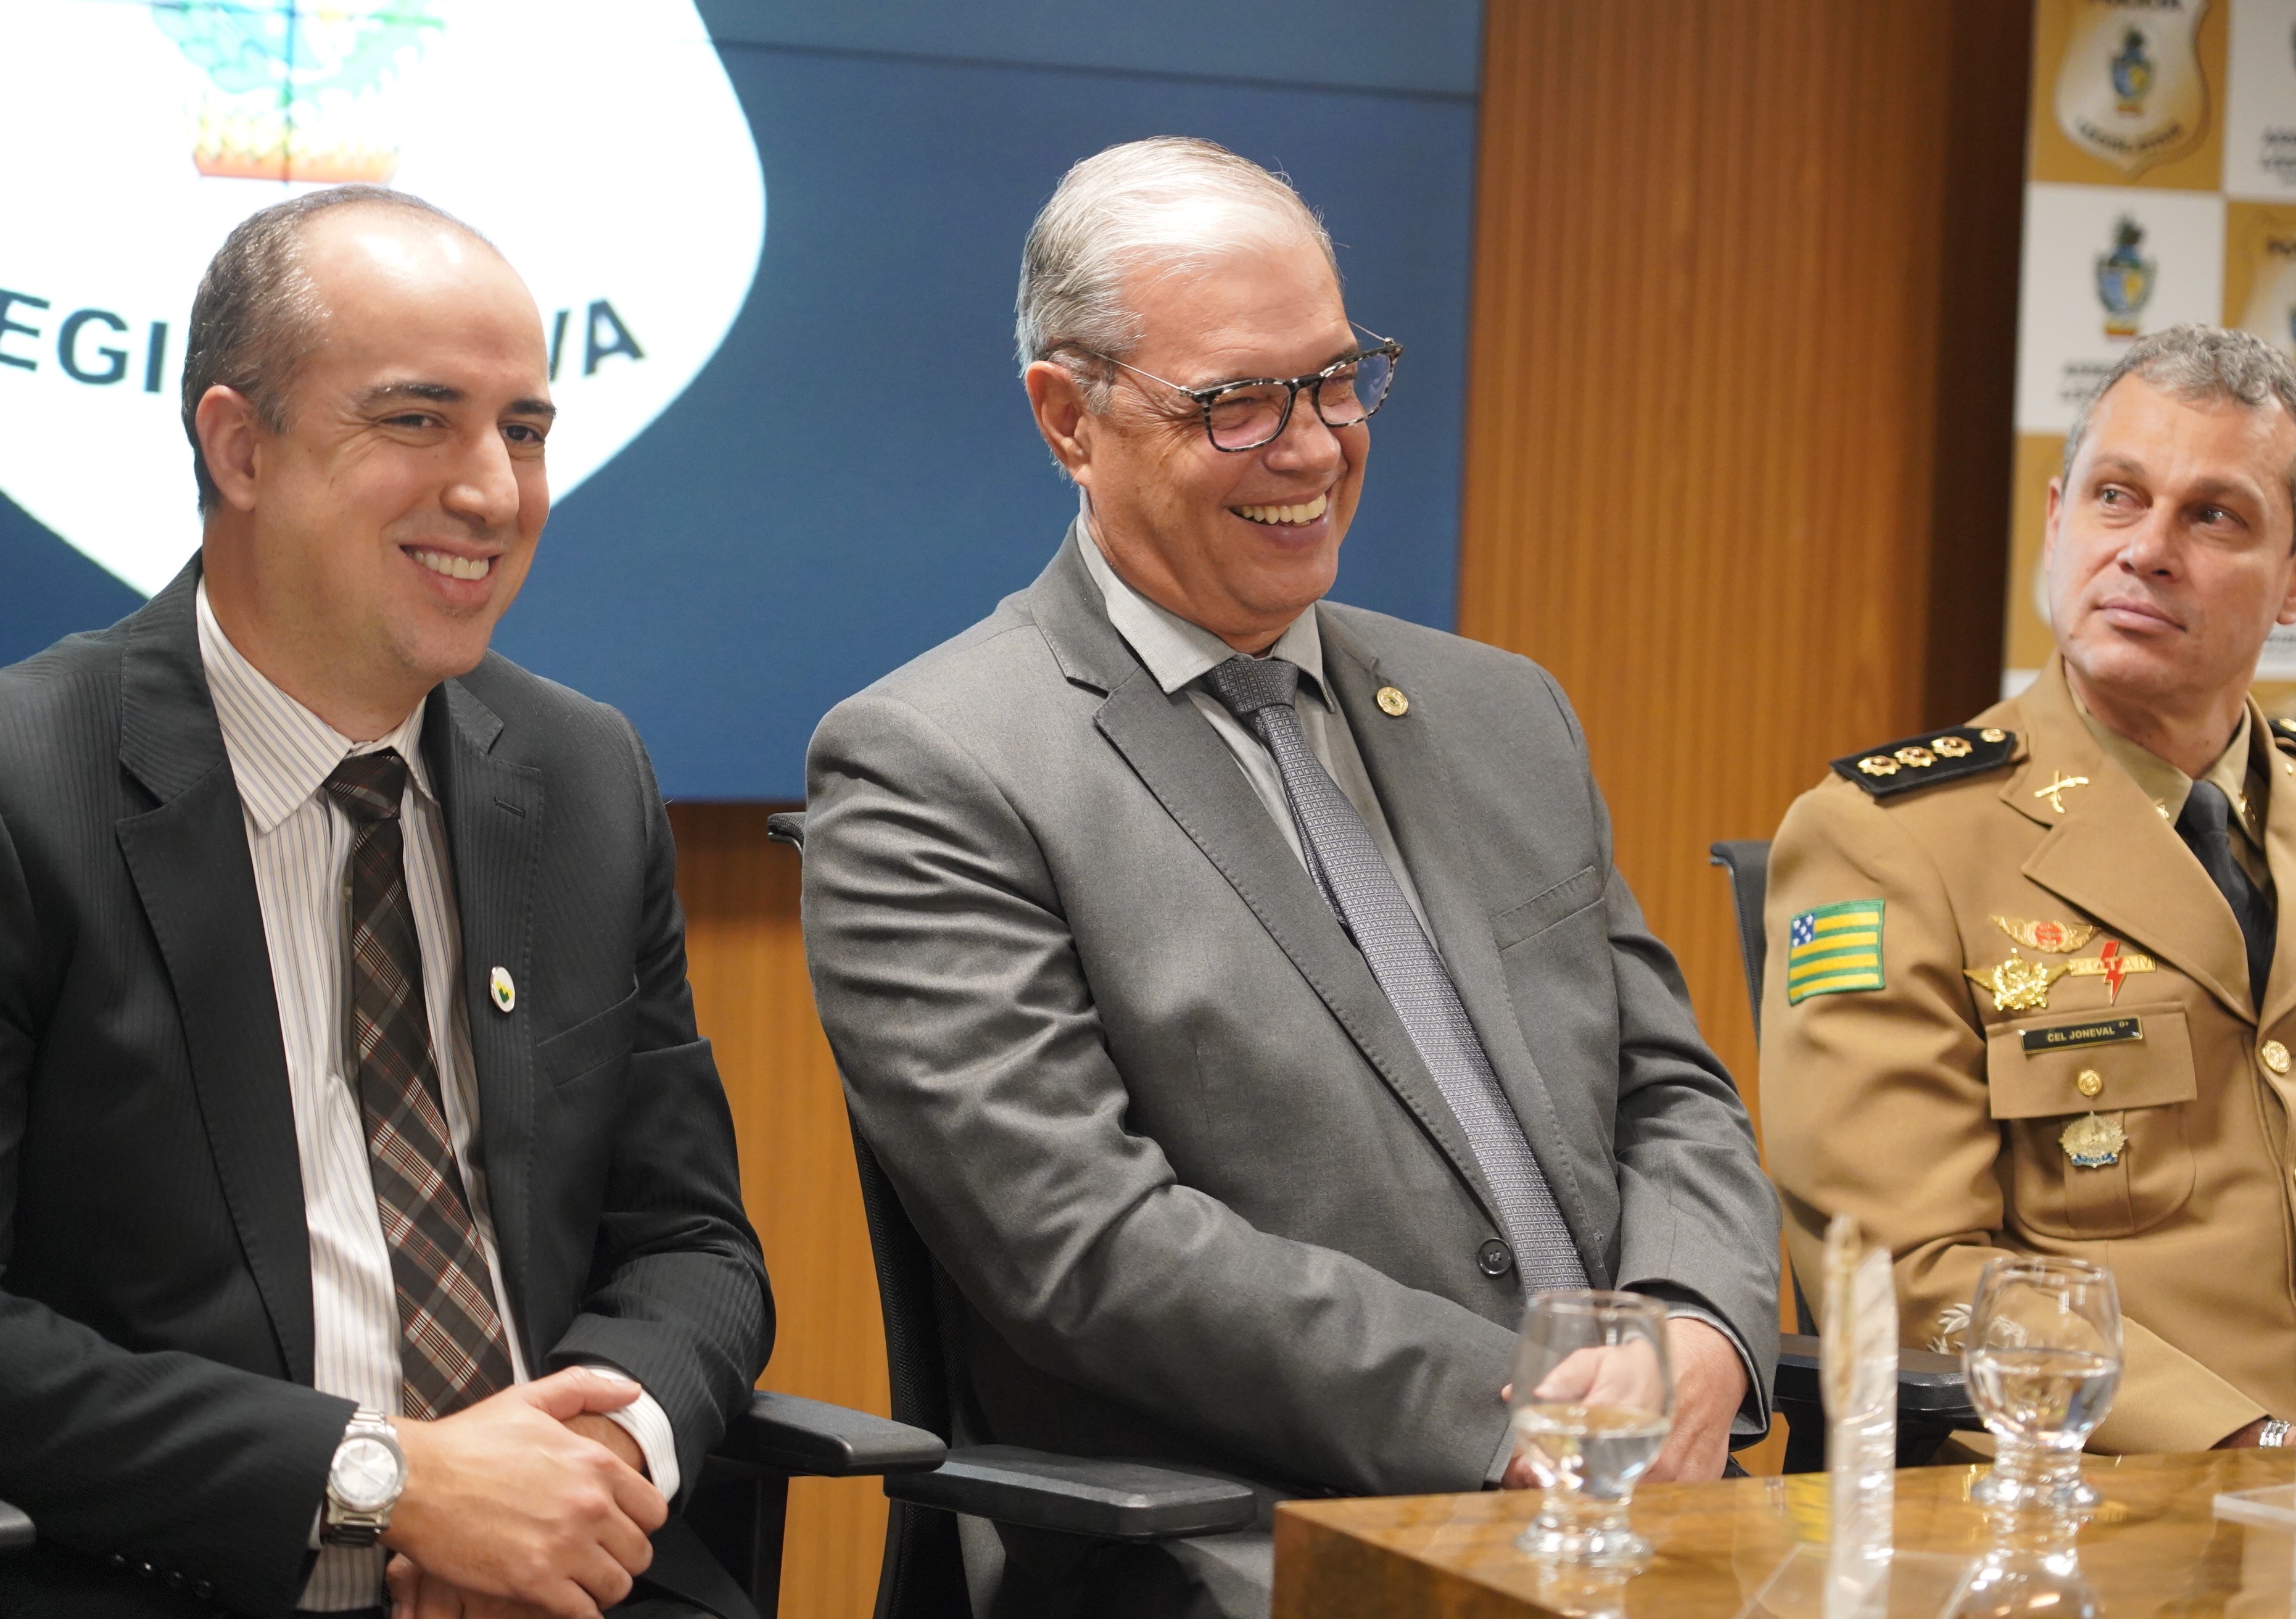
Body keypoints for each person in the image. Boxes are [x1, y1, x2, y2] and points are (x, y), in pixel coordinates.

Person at [799, 137, 1779, 1616]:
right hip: (1256, 1543)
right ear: (1069, 417)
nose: (1315, 448)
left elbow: (1671, 1093)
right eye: (1238, 403)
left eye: (1335, 379)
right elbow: (1088, 1244)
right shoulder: (936, 764)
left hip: (1647, 1512)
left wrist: (1697, 1328)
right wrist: (1522, 1412)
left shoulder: (1505, 712)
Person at [0, 187, 773, 1619]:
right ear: (241, 446)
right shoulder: (28, 782)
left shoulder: (582, 774)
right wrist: (388, 1480)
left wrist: (575, 1474)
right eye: (419, 419)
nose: (493, 492)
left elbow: (694, 1246)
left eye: (524, 431)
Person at [1763, 323, 2296, 1456]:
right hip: (2094, 1489)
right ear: (2058, 520)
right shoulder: (1888, 842)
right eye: (2117, 498)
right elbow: (1907, 1273)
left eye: (2213, 516)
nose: (2147, 550)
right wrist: (2252, 1446)